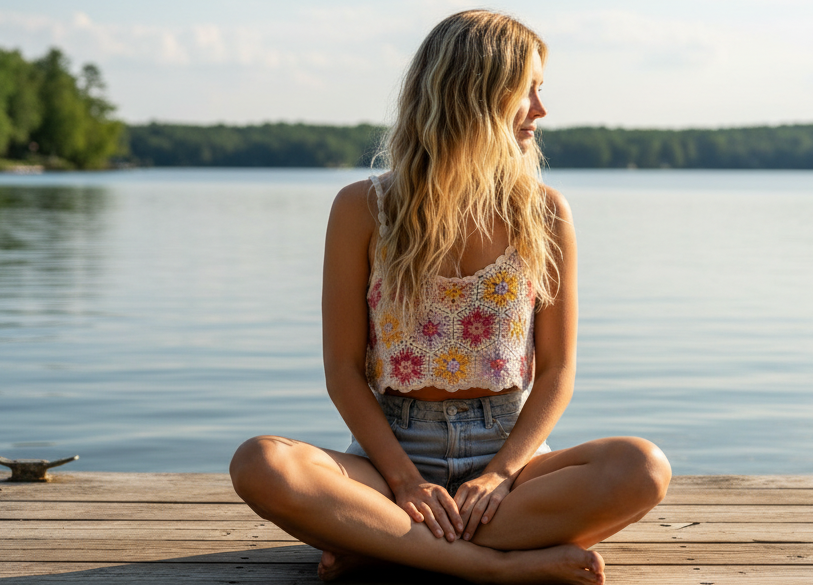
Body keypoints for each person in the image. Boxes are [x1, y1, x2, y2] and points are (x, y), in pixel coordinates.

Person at [230, 10, 671, 584]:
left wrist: (502, 474)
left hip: (510, 457)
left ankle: (382, 541)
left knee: (641, 468)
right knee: (261, 464)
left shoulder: (544, 212)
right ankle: (490, 567)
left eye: (541, 91)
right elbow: (342, 369)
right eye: (527, 91)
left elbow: (559, 370)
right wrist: (404, 480)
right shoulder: (363, 209)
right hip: (391, 456)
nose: (541, 110)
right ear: (475, 95)